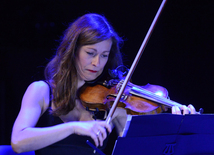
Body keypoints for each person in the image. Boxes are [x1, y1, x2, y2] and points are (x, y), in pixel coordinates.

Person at [11, 13, 197, 155]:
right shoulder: (42, 91)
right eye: (91, 53)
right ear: (72, 50)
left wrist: (177, 124)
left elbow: (141, 149)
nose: (97, 63)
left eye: (104, 55)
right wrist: (73, 127)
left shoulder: (112, 103)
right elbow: (18, 141)